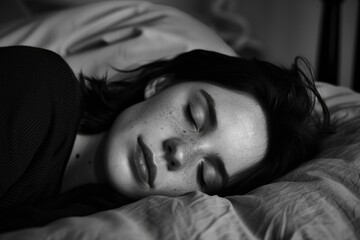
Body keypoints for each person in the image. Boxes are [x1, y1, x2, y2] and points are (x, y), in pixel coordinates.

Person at [0, 46, 332, 232]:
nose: (181, 153)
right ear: (161, 84)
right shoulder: (38, 86)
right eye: (195, 116)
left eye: (206, 174)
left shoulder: (101, 225)